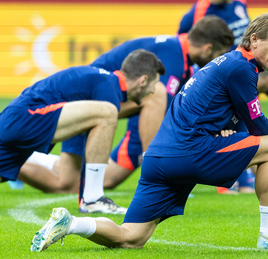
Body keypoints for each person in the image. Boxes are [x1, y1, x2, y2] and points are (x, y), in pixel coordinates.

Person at [31, 13, 268, 253]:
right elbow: (258, 124)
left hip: (160, 158)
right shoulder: (241, 67)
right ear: (254, 41)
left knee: (131, 236)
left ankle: (72, 223)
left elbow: (235, 120)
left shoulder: (226, 64)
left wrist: (228, 132)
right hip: (190, 151)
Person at [18, 17, 234, 208]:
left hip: (94, 104)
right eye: (219, 54)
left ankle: (11, 161)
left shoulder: (178, 55)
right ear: (207, 49)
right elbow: (154, 103)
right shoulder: (173, 57)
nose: (219, 61)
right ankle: (159, 176)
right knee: (156, 94)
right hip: (82, 103)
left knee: (68, 184)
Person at [1, 50, 165, 214]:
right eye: (153, 84)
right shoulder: (108, 88)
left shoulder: (104, 81)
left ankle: (91, 199)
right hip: (25, 117)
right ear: (143, 81)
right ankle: (93, 199)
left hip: (14, 119)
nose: (152, 91)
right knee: (107, 112)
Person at [218, 55, 268, 194]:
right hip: (194, 147)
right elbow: (258, 126)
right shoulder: (241, 85)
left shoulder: (248, 88)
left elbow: (244, 130)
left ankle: (241, 181)